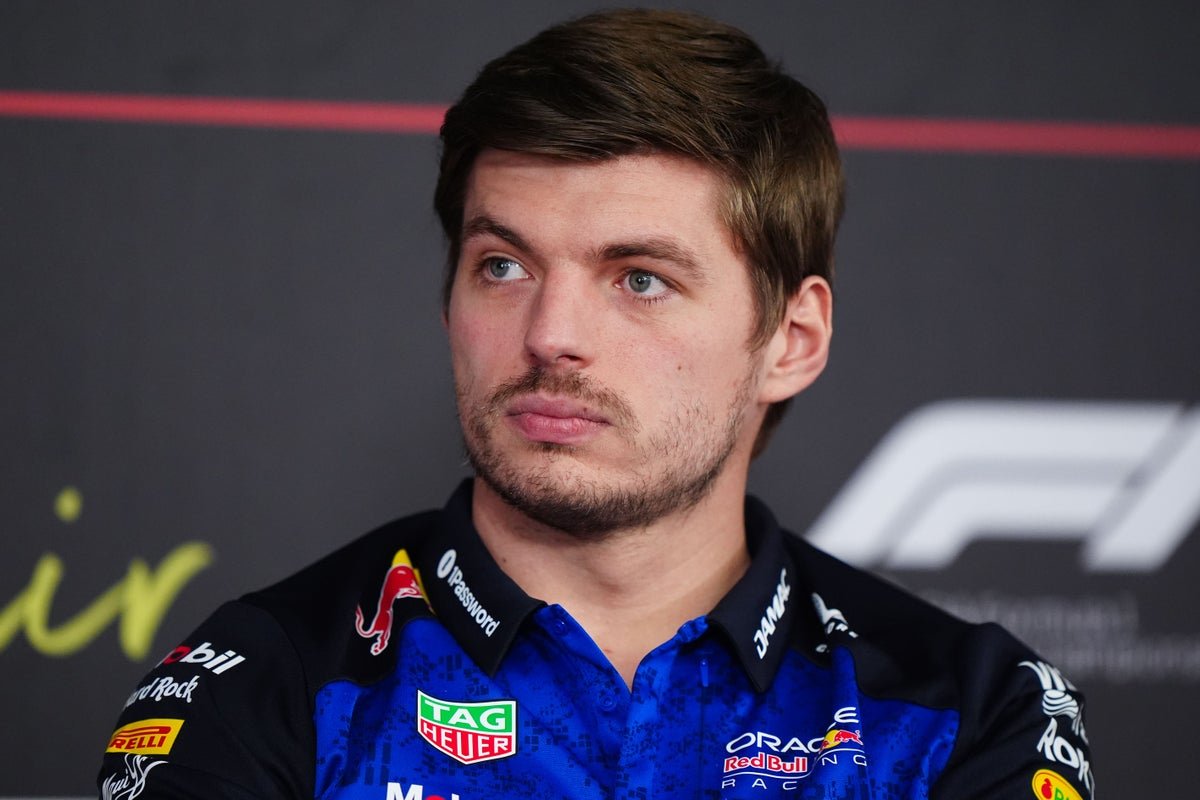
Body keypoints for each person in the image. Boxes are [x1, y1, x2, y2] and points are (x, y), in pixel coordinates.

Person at [97, 9, 1094, 800]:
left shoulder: (967, 708)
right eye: (502, 263)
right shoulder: (265, 685)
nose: (548, 332)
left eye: (640, 278)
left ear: (791, 339)